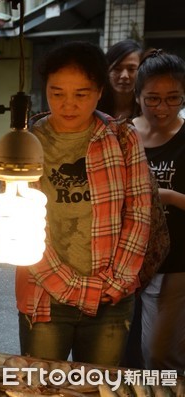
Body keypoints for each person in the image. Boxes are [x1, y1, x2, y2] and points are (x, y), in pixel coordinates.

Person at [16, 41, 152, 366]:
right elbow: (21, 228)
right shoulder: (27, 141)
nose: (68, 104)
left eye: (81, 94)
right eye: (57, 92)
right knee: (42, 387)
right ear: (45, 89)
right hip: (45, 295)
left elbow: (139, 214)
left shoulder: (122, 137)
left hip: (112, 298)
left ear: (99, 90)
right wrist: (76, 289)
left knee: (96, 386)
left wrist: (115, 283)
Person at [132, 49, 185, 373]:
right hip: (128, 260)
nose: (162, 108)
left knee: (161, 353)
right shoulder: (124, 135)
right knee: (131, 351)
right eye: (152, 99)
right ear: (137, 96)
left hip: (177, 261)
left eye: (173, 98)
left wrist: (166, 196)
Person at [98, 39, 143, 120]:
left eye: (131, 69)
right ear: (107, 70)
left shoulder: (146, 109)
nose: (124, 76)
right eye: (117, 69)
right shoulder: (94, 105)